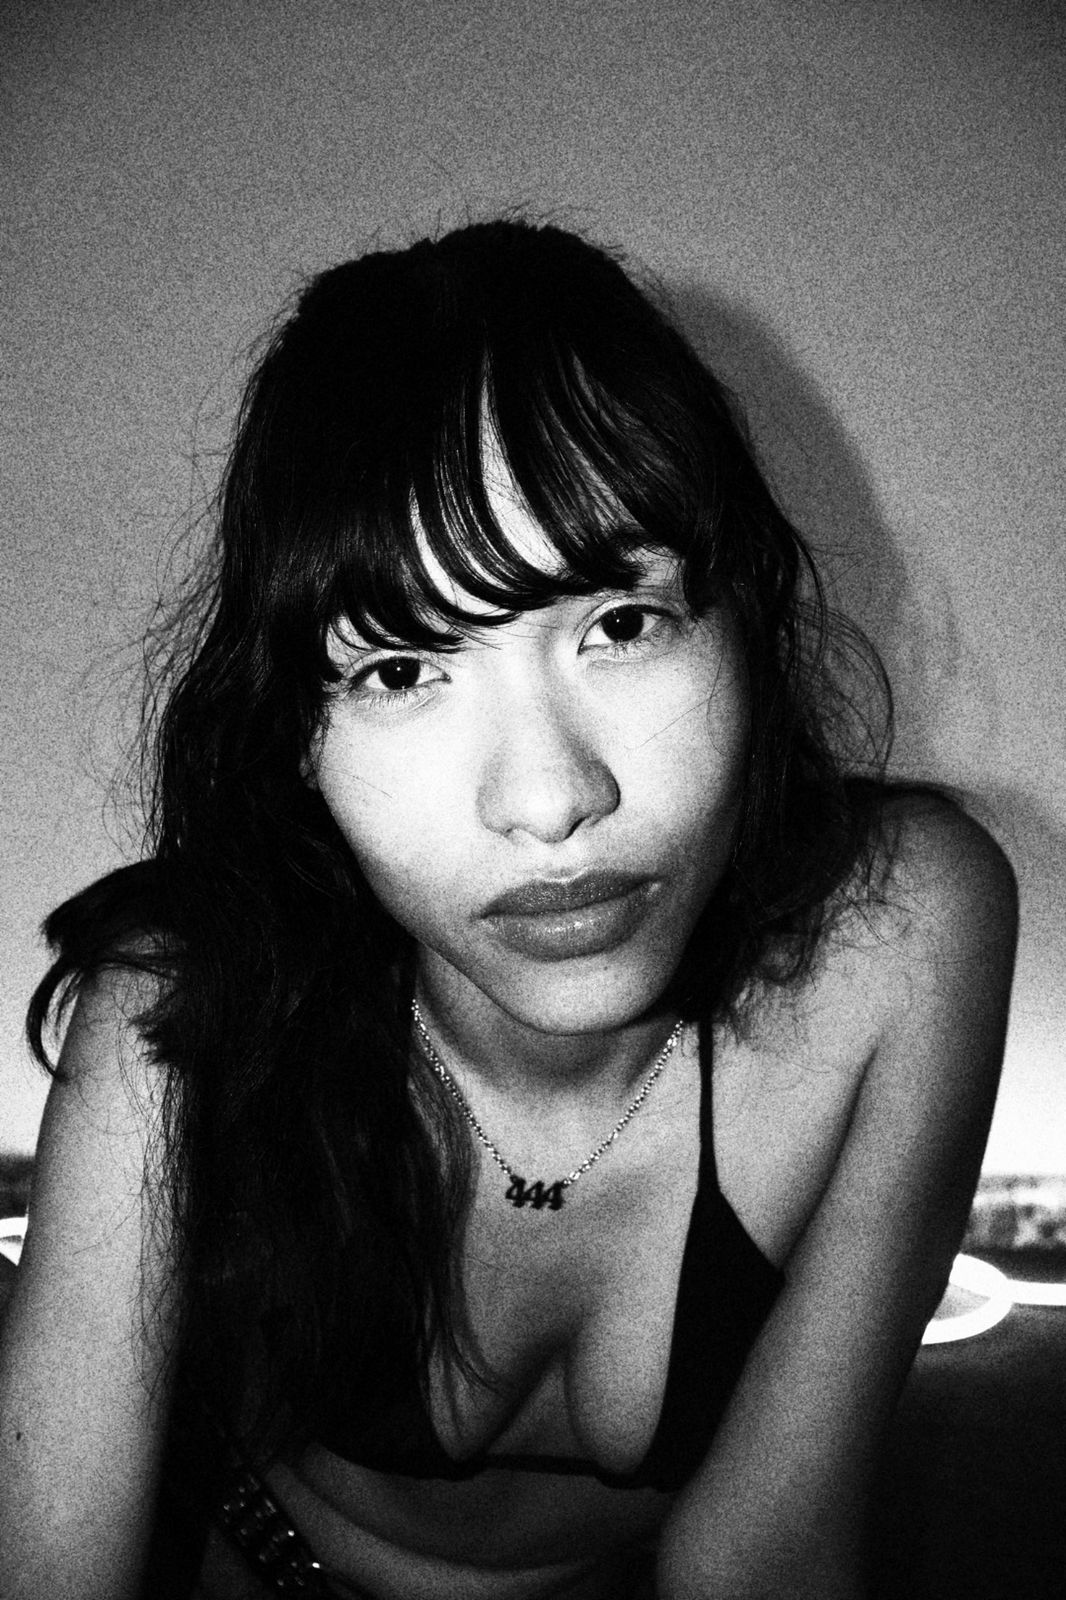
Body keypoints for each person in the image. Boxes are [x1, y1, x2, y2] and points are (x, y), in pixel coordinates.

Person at [0, 218, 1017, 1600]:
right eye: (401, 669)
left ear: (748, 621)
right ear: (293, 737)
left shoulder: (905, 930)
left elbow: (766, 1550)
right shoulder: (179, 1003)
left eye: (620, 624)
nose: (548, 801)